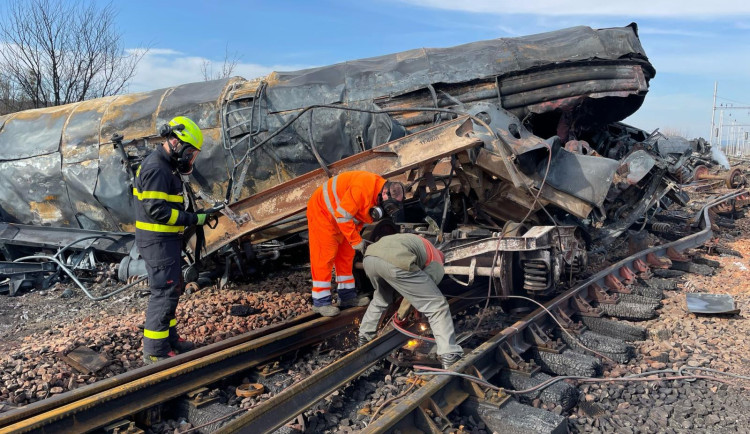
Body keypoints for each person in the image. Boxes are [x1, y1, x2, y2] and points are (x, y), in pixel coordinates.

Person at [134, 116, 212, 364]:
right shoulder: (157, 168)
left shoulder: (166, 166)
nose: (190, 158)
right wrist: (194, 219)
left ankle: (170, 340)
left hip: (163, 241)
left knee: (173, 287)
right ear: (175, 142)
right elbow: (158, 211)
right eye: (189, 152)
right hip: (157, 241)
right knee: (165, 290)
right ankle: (156, 350)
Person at [306, 171, 405, 317]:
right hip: (323, 213)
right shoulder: (362, 189)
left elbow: (356, 216)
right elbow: (342, 215)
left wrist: (355, 238)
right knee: (324, 256)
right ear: (384, 194)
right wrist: (356, 241)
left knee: (346, 256)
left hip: (341, 219)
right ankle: (321, 302)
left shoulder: (378, 189)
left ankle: (347, 297)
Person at [357, 233, 463, 369]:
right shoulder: (437, 260)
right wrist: (401, 316)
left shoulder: (419, 243)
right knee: (437, 305)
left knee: (381, 298)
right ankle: (449, 353)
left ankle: (364, 337)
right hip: (396, 260)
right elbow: (419, 295)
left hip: (370, 259)